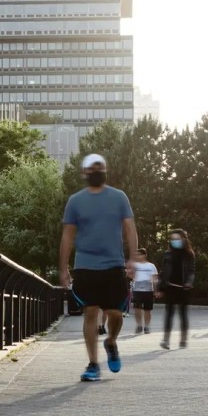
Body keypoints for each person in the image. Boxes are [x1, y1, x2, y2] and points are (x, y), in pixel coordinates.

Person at [60, 153, 137, 382]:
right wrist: (63, 268)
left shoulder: (119, 197)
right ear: (85, 172)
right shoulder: (75, 201)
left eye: (100, 167)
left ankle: (111, 340)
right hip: (85, 265)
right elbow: (67, 236)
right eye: (92, 168)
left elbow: (130, 229)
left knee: (115, 313)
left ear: (105, 170)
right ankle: (93, 363)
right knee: (90, 311)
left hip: (113, 264)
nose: (96, 171)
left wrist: (132, 258)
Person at [158, 229, 195, 349]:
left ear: (183, 239)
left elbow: (191, 271)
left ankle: (183, 340)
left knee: (183, 314)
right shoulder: (167, 254)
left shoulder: (189, 254)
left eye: (177, 239)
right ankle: (166, 340)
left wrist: (189, 282)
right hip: (170, 287)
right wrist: (160, 288)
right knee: (169, 314)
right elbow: (163, 272)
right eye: (173, 239)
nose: (175, 241)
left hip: (183, 288)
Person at [131, 248, 158, 334]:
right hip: (137, 290)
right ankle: (139, 325)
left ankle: (146, 326)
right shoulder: (134, 265)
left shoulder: (151, 266)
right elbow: (130, 276)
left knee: (147, 310)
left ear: (145, 255)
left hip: (148, 290)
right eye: (137, 255)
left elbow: (154, 279)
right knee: (137, 309)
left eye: (140, 254)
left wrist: (155, 290)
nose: (138, 256)